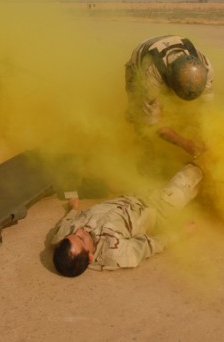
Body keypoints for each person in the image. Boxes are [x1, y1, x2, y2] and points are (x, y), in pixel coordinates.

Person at [49, 163, 203, 277]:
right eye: (81, 239)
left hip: (129, 194)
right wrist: (181, 234)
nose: (79, 231)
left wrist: (73, 208)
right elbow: (151, 245)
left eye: (74, 234)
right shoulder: (116, 253)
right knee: (190, 175)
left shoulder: (64, 237)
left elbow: (65, 224)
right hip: (157, 208)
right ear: (90, 257)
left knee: (140, 161)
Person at [125, 35, 214, 175]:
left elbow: (207, 110)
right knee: (140, 120)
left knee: (187, 115)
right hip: (139, 65)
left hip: (171, 52)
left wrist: (207, 139)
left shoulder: (205, 68)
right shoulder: (151, 78)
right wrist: (186, 144)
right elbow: (153, 124)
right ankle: (146, 161)